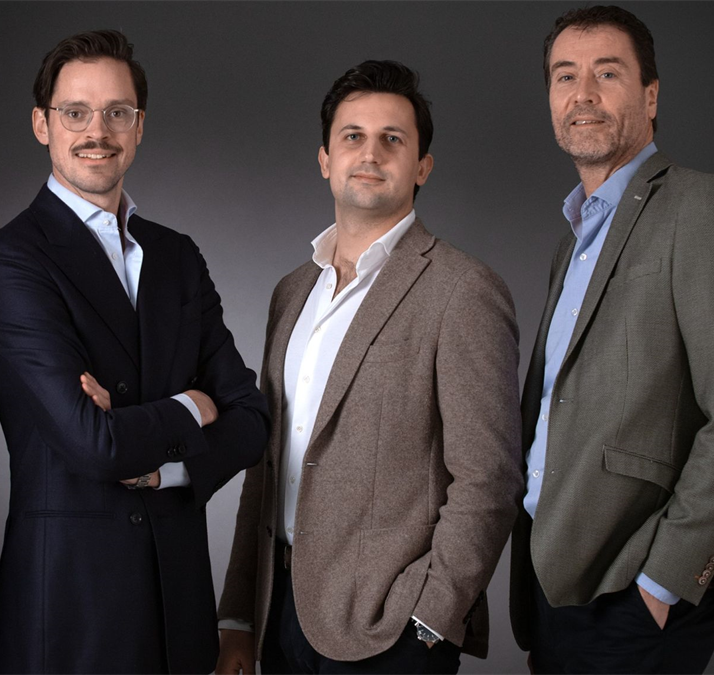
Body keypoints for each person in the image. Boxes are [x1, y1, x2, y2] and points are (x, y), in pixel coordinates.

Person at [0, 29, 269, 675]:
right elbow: (94, 445)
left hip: (179, 614)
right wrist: (192, 407)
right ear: (42, 125)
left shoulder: (177, 256)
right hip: (70, 614)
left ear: (139, 126)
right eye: (75, 112)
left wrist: (164, 471)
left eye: (117, 112)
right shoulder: (11, 261)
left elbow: (251, 420)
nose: (97, 131)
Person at [216, 60, 523, 675]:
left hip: (391, 632)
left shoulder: (463, 290)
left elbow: (489, 478)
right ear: (325, 159)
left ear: (422, 166)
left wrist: (431, 619)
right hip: (279, 613)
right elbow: (264, 465)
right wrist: (239, 617)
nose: (371, 153)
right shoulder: (291, 293)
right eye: (352, 135)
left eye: (393, 139)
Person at [510, 7, 714, 674]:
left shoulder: (702, 207)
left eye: (607, 73)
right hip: (552, 580)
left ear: (651, 96)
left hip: (633, 589)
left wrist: (663, 580)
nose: (583, 94)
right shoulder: (573, 241)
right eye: (565, 76)